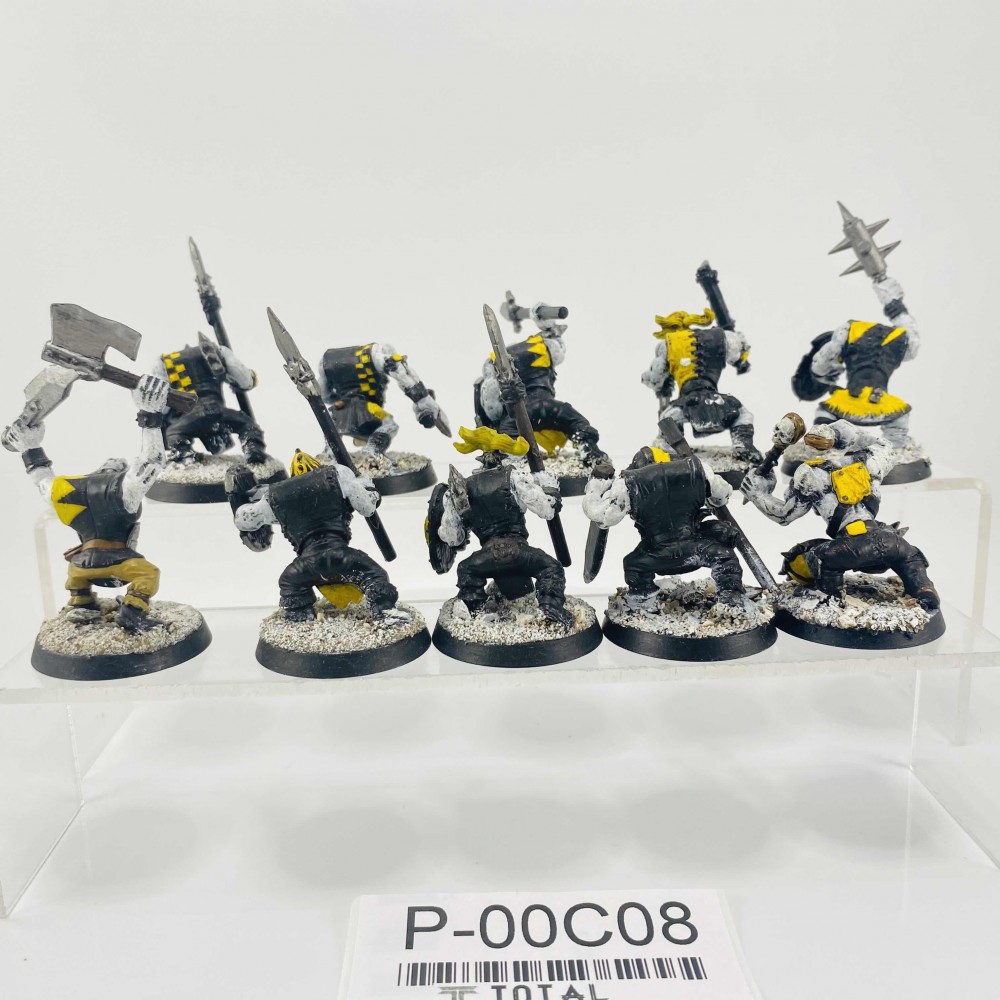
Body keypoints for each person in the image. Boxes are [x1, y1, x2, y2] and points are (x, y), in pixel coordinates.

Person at [7, 375, 172, 632]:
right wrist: (150, 415)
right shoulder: (122, 488)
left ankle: (81, 602)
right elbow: (151, 462)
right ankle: (131, 613)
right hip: (120, 563)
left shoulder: (68, 490)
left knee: (78, 585)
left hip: (79, 568)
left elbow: (41, 478)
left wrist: (29, 448)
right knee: (149, 575)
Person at [741, 418, 939, 608]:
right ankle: (924, 588)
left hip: (849, 548)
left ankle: (831, 598)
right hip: (891, 543)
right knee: (910, 558)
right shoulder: (871, 461)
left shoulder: (810, 474)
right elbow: (883, 444)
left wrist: (758, 494)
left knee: (818, 560)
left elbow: (784, 515)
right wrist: (836, 433)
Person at [228, 449, 405, 622]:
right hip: (342, 557)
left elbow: (244, 520)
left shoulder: (273, 497)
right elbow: (367, 507)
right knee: (375, 576)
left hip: (305, 566)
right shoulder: (339, 477)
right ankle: (384, 610)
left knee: (290, 584)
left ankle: (299, 615)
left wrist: (242, 499)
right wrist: (367, 486)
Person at [431, 426, 573, 626]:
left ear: (482, 458)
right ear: (502, 456)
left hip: (486, 557)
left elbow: (453, 538)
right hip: (520, 552)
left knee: (466, 569)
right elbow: (547, 510)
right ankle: (550, 606)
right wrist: (550, 489)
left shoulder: (458, 490)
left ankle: (473, 610)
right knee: (552, 567)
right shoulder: (515, 477)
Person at [583, 444, 745, 611]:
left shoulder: (626, 485)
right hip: (698, 548)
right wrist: (704, 493)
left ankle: (642, 604)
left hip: (656, 557)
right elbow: (722, 495)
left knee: (632, 565)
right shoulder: (699, 470)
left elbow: (602, 516)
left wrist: (596, 486)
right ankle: (732, 599)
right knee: (726, 557)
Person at [641, 308, 760, 462]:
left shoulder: (667, 344)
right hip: (716, 399)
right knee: (743, 414)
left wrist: (646, 378)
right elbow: (741, 351)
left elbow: (656, 380)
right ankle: (743, 445)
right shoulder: (721, 337)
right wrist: (741, 358)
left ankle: (673, 456)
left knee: (667, 420)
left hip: (687, 403)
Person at [318, 341, 448, 459]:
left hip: (339, 405)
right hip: (366, 405)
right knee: (389, 425)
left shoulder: (325, 362)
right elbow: (400, 373)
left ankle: (329, 454)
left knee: (334, 426)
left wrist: (344, 401)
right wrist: (422, 400)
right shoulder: (376, 356)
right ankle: (372, 452)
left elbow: (324, 395)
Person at [156, 333, 268, 463]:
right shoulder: (218, 350)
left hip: (192, 416)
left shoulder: (165, 363)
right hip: (218, 411)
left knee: (173, 433)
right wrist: (248, 380)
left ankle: (185, 457)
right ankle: (253, 450)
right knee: (248, 425)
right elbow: (244, 380)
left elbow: (161, 405)